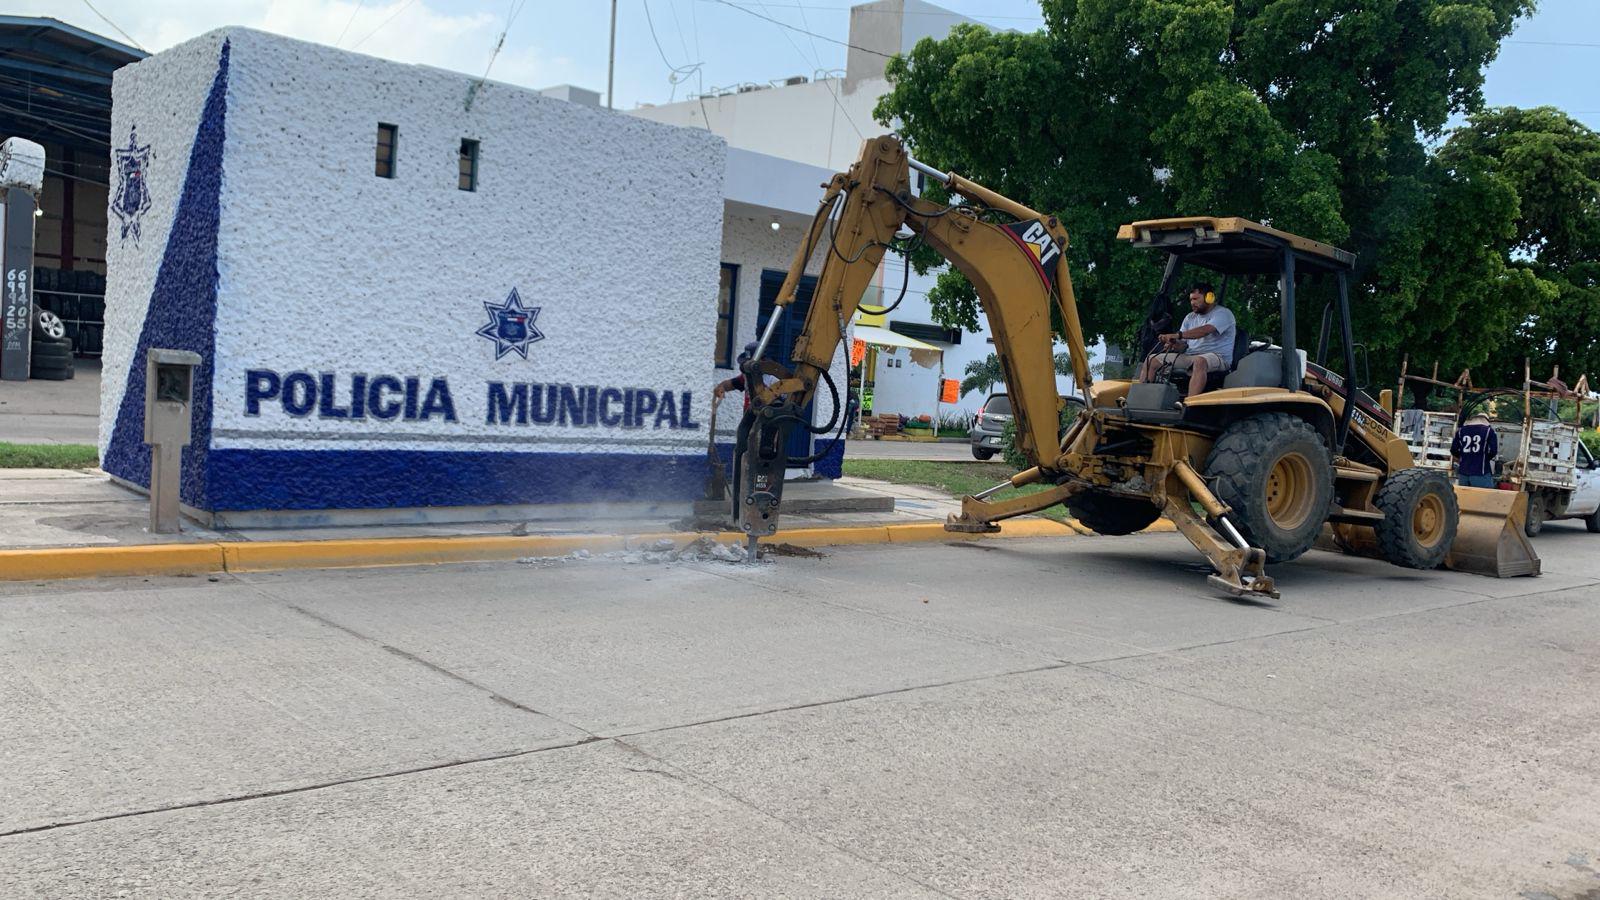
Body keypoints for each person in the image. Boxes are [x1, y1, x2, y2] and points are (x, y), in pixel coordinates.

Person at [1139, 282, 1237, 397]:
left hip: (1217, 357)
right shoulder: (1190, 317)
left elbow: (1204, 331)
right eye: (1191, 300)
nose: (1192, 303)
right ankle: (1142, 399)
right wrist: (1174, 343)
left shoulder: (1223, 314)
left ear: (1209, 297)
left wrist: (1177, 335)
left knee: (1199, 361)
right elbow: (1183, 345)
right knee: (1151, 359)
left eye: (1196, 299)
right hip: (1190, 355)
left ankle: (1189, 406)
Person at [1451, 412, 1500, 488]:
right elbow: (1493, 451)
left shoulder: (1460, 431)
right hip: (1481, 472)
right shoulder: (1489, 431)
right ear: (1486, 421)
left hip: (1463, 472)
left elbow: (1453, 450)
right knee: (1484, 497)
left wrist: (1462, 456)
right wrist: (1485, 458)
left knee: (1464, 497)